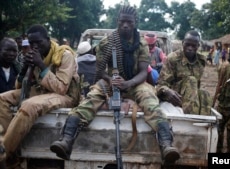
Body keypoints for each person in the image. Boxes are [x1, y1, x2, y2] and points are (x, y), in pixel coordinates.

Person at [50, 5, 180, 166]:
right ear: (117, 21)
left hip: (135, 82)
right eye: (122, 22)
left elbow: (143, 71)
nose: (125, 25)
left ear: (135, 23)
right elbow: (99, 71)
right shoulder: (107, 42)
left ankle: (166, 145)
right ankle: (66, 140)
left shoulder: (141, 44)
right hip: (110, 81)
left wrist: (129, 83)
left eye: (129, 22)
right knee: (90, 100)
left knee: (151, 102)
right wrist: (110, 79)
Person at [0, 24, 80, 168]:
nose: (35, 46)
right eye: (31, 43)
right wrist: (24, 69)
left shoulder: (64, 55)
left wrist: (41, 66)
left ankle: (4, 152)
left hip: (65, 96)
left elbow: (61, 88)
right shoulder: (33, 54)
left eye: (39, 42)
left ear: (48, 40)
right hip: (42, 92)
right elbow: (18, 88)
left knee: (29, 105)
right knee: (2, 99)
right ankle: (11, 146)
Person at [156, 30, 212, 115]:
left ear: (198, 46)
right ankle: (191, 118)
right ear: (183, 43)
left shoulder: (201, 61)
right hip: (175, 98)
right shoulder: (173, 59)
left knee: (205, 94)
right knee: (191, 80)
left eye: (194, 46)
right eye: (187, 44)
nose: (190, 48)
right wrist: (167, 91)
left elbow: (198, 84)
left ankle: (204, 121)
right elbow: (160, 85)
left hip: (191, 96)